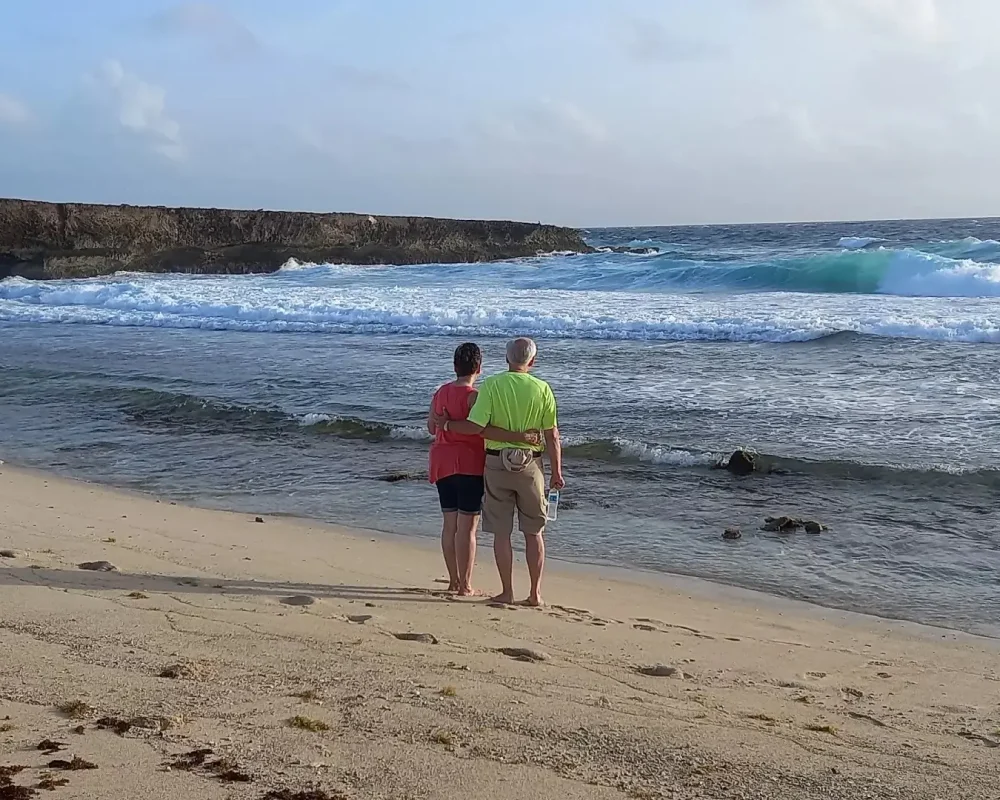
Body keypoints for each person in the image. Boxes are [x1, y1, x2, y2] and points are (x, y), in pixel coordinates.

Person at [435, 337, 563, 607]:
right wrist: (557, 472)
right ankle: (535, 593)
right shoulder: (542, 388)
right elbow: (552, 435)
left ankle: (506, 591)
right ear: (532, 361)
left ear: (507, 359)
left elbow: (477, 427)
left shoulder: (492, 385)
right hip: (531, 464)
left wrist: (446, 426)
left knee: (501, 532)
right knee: (534, 532)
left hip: (496, 462)